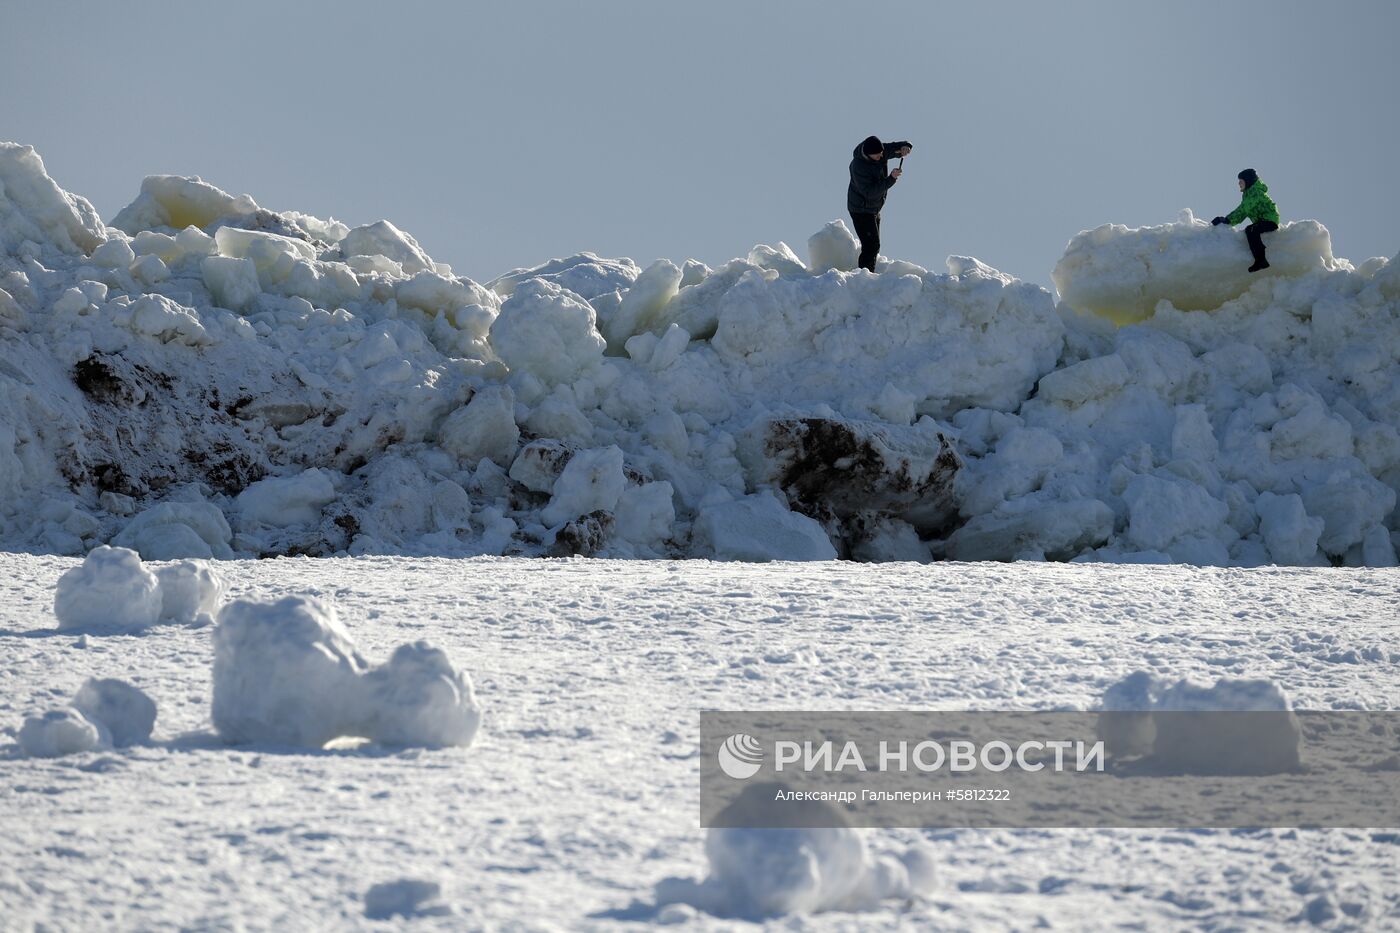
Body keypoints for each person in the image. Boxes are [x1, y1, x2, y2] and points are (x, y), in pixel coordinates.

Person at [848, 135, 913, 272]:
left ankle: (868, 273)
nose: (881, 156)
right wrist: (891, 178)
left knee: (874, 245)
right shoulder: (858, 166)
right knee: (871, 246)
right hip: (861, 210)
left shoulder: (879, 151)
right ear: (868, 154)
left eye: (881, 153)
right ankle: (864, 277)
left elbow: (894, 147)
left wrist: (905, 147)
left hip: (874, 208)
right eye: (877, 155)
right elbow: (869, 192)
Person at [1212, 168, 1280, 273]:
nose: (1239, 183)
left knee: (1251, 230)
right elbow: (1243, 210)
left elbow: (1243, 211)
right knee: (1251, 229)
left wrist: (1226, 220)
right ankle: (1260, 260)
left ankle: (1261, 260)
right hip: (1263, 221)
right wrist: (1226, 220)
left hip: (1269, 221)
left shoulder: (1255, 192)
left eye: (1241, 181)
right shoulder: (1248, 194)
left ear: (1248, 181)